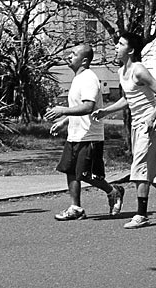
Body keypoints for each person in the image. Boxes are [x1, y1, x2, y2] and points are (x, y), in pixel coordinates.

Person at [92, 32, 156, 229]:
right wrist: (106, 111)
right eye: (117, 43)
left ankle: (141, 215)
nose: (116, 47)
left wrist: (152, 117)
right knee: (153, 174)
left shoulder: (139, 70)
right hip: (137, 125)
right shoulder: (121, 71)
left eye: (121, 44)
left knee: (139, 168)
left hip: (150, 124)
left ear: (131, 50)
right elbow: (128, 98)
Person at [45, 44, 125, 221]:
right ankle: (76, 207)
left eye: (74, 54)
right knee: (70, 170)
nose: (69, 56)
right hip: (75, 134)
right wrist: (63, 122)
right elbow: (77, 107)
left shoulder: (89, 78)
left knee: (86, 175)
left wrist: (62, 110)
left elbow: (88, 107)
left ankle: (113, 191)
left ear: (84, 61)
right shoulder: (77, 78)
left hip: (90, 135)